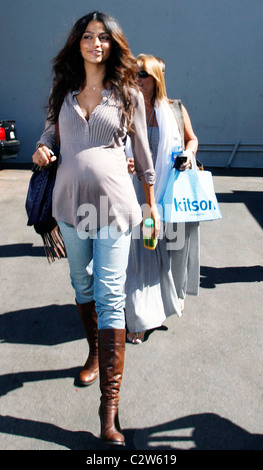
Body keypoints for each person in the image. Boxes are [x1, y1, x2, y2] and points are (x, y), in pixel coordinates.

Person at [32, 13, 160, 446]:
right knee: (80, 283)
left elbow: (143, 152)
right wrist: (44, 147)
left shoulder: (127, 93)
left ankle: (109, 412)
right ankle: (93, 350)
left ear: (113, 45)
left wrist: (151, 204)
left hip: (115, 209)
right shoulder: (62, 90)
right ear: (78, 44)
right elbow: (51, 131)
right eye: (88, 37)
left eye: (103, 38)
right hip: (69, 208)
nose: (95, 44)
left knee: (109, 294)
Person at [125, 54, 199, 344]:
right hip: (137, 195)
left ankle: (170, 298)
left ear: (156, 78)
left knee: (172, 254)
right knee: (143, 255)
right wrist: (125, 161)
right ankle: (140, 317)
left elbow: (192, 139)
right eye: (133, 74)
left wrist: (188, 154)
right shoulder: (126, 110)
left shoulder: (175, 109)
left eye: (142, 74)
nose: (136, 79)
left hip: (170, 193)